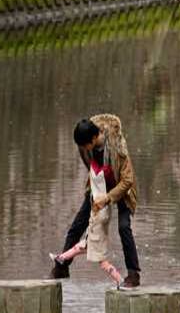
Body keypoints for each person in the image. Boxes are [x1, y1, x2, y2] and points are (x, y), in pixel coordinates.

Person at [50, 114, 141, 288]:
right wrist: (97, 189)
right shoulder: (85, 144)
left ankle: (133, 275)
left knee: (124, 227)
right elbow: (90, 164)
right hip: (98, 185)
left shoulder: (118, 147)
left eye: (86, 145)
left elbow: (127, 180)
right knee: (78, 225)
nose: (84, 149)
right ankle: (61, 267)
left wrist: (107, 198)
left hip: (122, 188)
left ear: (94, 137)